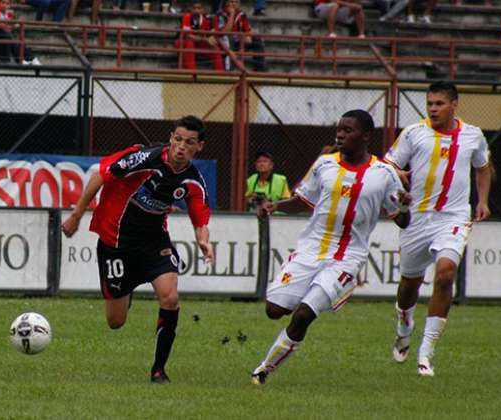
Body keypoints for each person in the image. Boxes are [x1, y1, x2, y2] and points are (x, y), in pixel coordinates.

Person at [250, 110, 412, 385]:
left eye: (348, 130)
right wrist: (273, 206)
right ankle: (305, 297)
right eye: (339, 129)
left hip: (347, 258)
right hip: (310, 249)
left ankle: (263, 370)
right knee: (274, 310)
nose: (340, 134)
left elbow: (403, 220)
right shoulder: (324, 164)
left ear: (365, 136)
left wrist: (405, 205)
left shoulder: (384, 174)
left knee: (303, 315)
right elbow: (303, 200)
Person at [61, 115, 214, 384]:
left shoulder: (193, 181)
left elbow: (200, 218)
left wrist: (203, 239)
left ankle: (158, 370)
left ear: (199, 147)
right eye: (177, 139)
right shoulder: (144, 158)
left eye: (189, 143)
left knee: (170, 298)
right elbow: (100, 175)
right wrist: (76, 215)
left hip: (154, 243)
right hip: (115, 243)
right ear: (170, 138)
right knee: (115, 321)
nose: (181, 146)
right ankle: (126, 291)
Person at [384, 82, 491, 377]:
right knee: (409, 285)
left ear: (454, 104)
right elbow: (388, 165)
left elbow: (483, 167)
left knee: (445, 275)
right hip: (417, 219)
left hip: (453, 217)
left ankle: (426, 354)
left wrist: (482, 201)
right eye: (430, 103)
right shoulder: (414, 133)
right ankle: (404, 325)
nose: (433, 108)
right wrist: (398, 174)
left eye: (439, 103)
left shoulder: (473, 135)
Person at [213, 0, 267, 71]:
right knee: (230, 42)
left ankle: (260, 71)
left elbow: (248, 31)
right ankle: (229, 71)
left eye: (236, 2)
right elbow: (225, 32)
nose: (234, 4)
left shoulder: (241, 14)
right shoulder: (220, 14)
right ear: (227, 3)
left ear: (239, 4)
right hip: (225, 42)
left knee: (257, 42)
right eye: (231, 2)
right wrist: (232, 14)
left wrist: (248, 37)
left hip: (239, 41)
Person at [175, 2, 224, 71]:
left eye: (199, 8)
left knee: (215, 48)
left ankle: (220, 73)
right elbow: (188, 35)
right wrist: (205, 39)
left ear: (202, 10)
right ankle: (192, 72)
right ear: (191, 10)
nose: (196, 10)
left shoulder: (208, 19)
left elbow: (213, 34)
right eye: (194, 8)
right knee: (190, 44)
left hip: (200, 43)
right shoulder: (187, 17)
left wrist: (211, 38)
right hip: (184, 42)